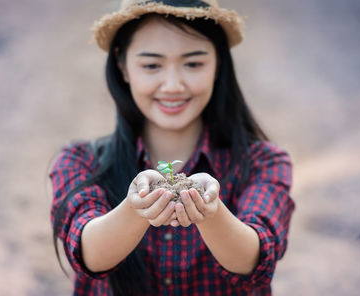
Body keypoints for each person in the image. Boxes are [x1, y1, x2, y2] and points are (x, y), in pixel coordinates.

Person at [49, 1, 295, 295]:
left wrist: (212, 213)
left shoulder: (263, 162)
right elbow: (88, 254)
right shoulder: (80, 162)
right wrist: (134, 207)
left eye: (193, 63)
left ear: (218, 64)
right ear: (122, 65)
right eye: (152, 65)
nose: (173, 85)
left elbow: (254, 261)